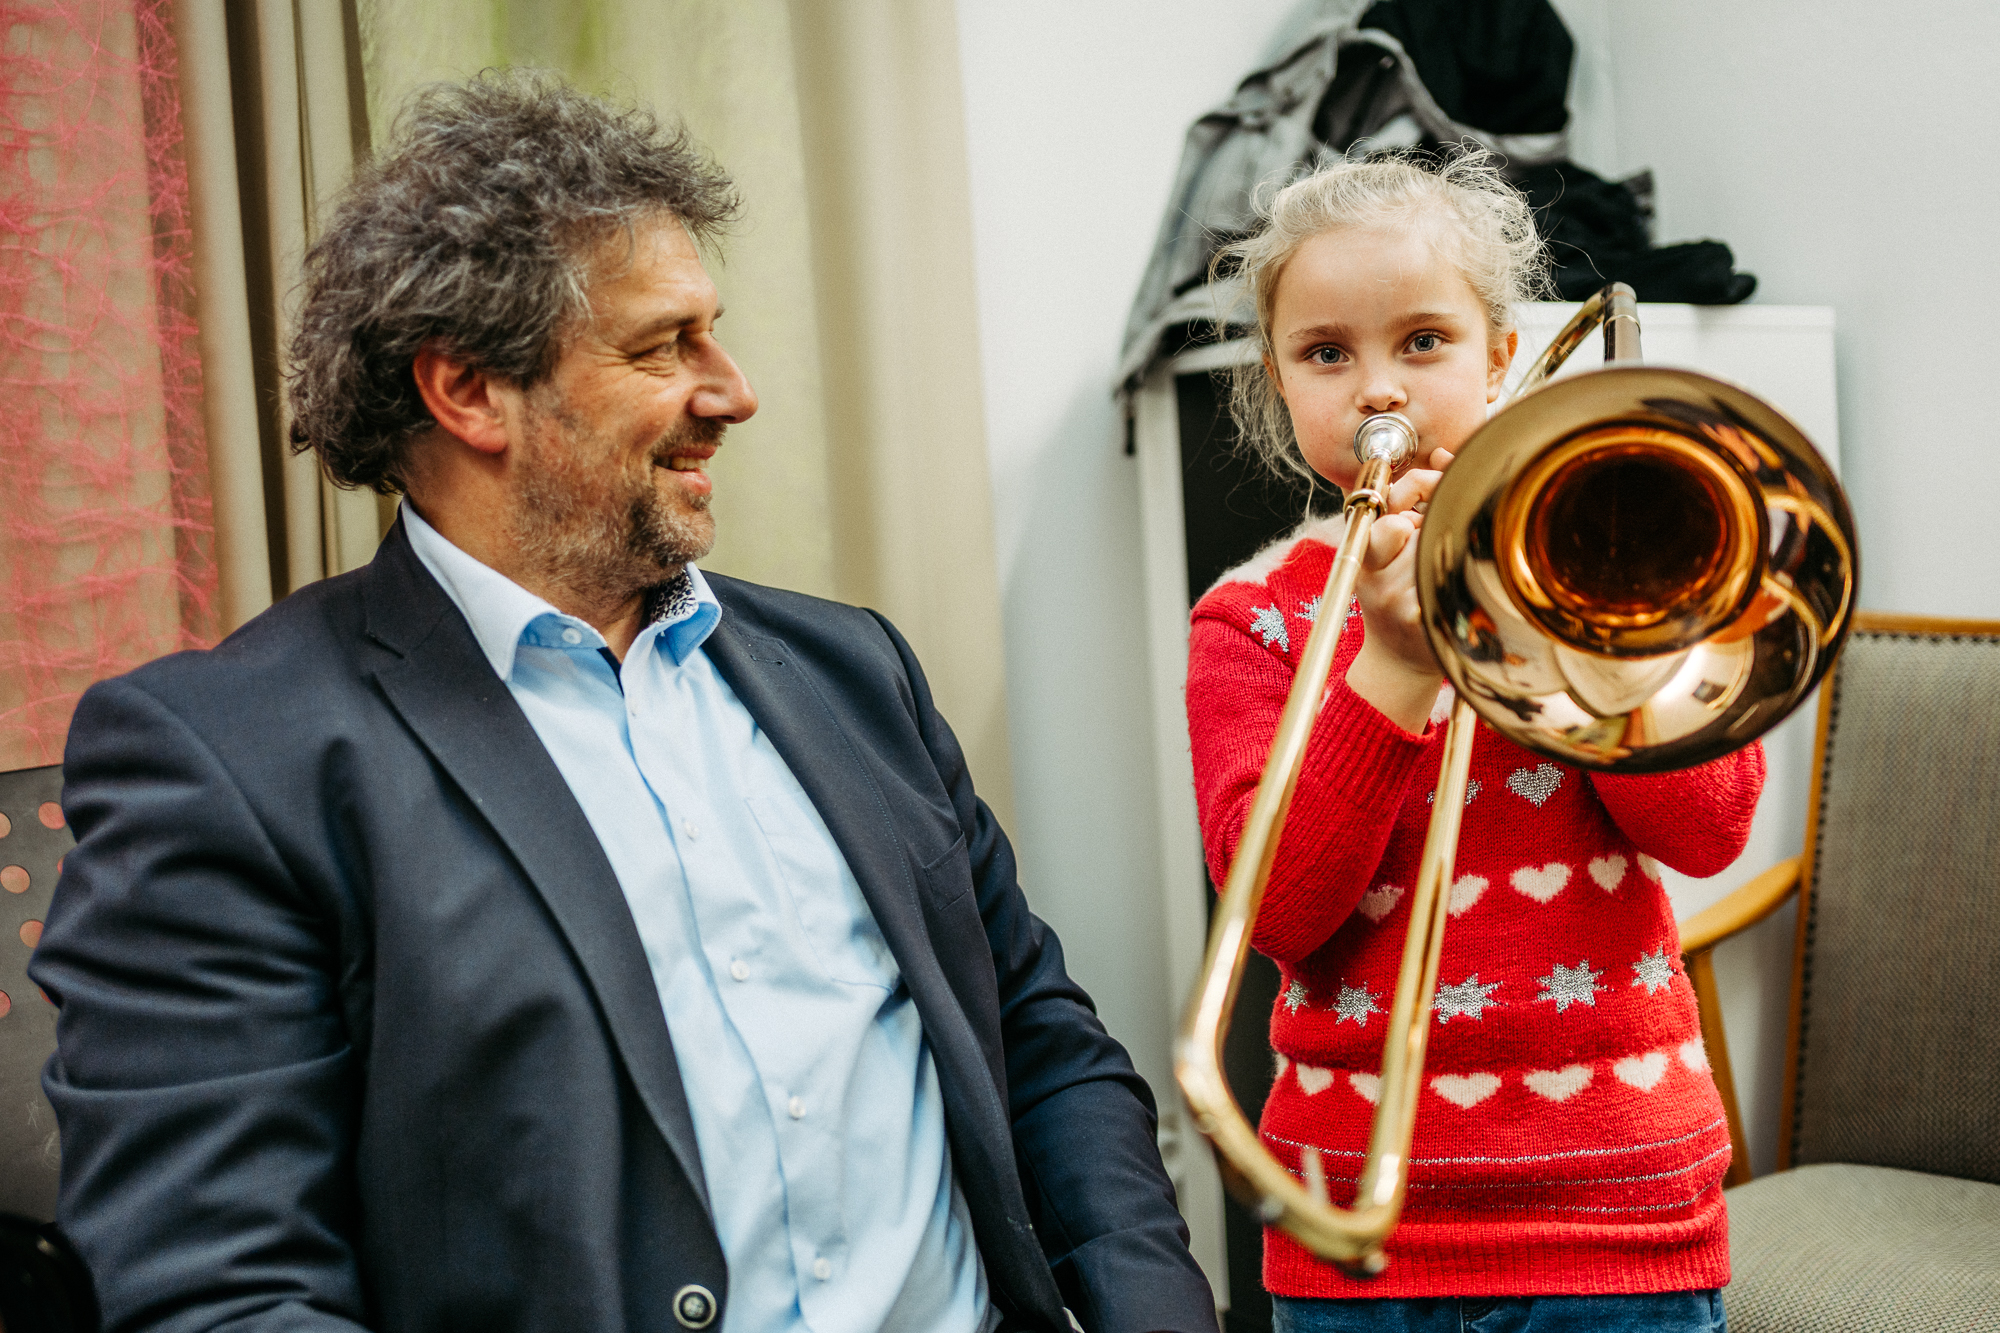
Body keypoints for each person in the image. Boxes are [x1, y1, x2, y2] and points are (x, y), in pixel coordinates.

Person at [30, 72, 1216, 1333]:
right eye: (662, 347)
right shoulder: (227, 761)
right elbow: (225, 1293)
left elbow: (1038, 1043)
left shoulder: (852, 669)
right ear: (467, 391)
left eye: (714, 332)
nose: (733, 391)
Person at [1184, 152, 1761, 1332]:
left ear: (1499, 356)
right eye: (1325, 353)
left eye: (1422, 341)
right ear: (1276, 380)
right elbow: (1277, 912)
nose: (1376, 389)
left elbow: (1706, 829)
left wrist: (1575, 619)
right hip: (1351, 1231)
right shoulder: (1248, 620)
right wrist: (1392, 670)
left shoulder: (1608, 560)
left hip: (1618, 1214)